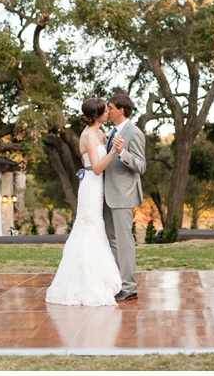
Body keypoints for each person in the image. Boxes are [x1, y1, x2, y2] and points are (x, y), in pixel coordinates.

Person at [46, 98, 122, 306]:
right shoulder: (88, 135)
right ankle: (83, 281)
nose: (108, 113)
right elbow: (97, 168)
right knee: (87, 227)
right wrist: (114, 152)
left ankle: (98, 275)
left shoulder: (99, 133)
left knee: (96, 227)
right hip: (91, 184)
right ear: (97, 115)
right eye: (106, 111)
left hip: (98, 185)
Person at [103, 94, 146, 302]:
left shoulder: (134, 132)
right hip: (107, 193)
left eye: (110, 107)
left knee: (124, 240)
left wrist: (123, 153)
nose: (107, 110)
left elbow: (141, 165)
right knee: (111, 239)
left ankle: (130, 286)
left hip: (123, 194)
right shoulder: (112, 131)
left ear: (121, 110)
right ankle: (118, 282)